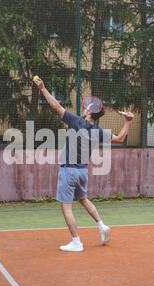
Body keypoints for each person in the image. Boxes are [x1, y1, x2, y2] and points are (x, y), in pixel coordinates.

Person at [33, 76, 134, 252]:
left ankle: (76, 242)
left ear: (90, 112)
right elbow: (120, 138)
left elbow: (56, 106)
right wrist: (128, 122)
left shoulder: (76, 122)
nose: (85, 107)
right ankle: (102, 225)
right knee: (83, 199)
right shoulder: (98, 131)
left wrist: (42, 88)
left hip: (69, 171)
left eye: (87, 107)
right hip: (82, 173)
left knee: (66, 207)